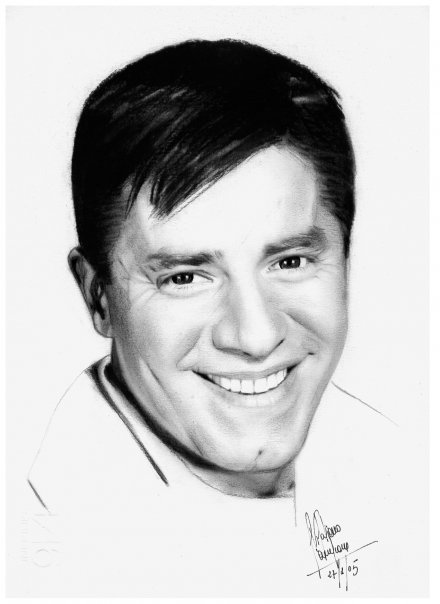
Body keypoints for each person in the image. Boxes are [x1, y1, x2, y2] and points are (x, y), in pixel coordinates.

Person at [27, 39, 400, 596]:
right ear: (97, 297)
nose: (256, 337)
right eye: (184, 278)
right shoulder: (38, 548)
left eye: (290, 262)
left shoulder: (405, 471)